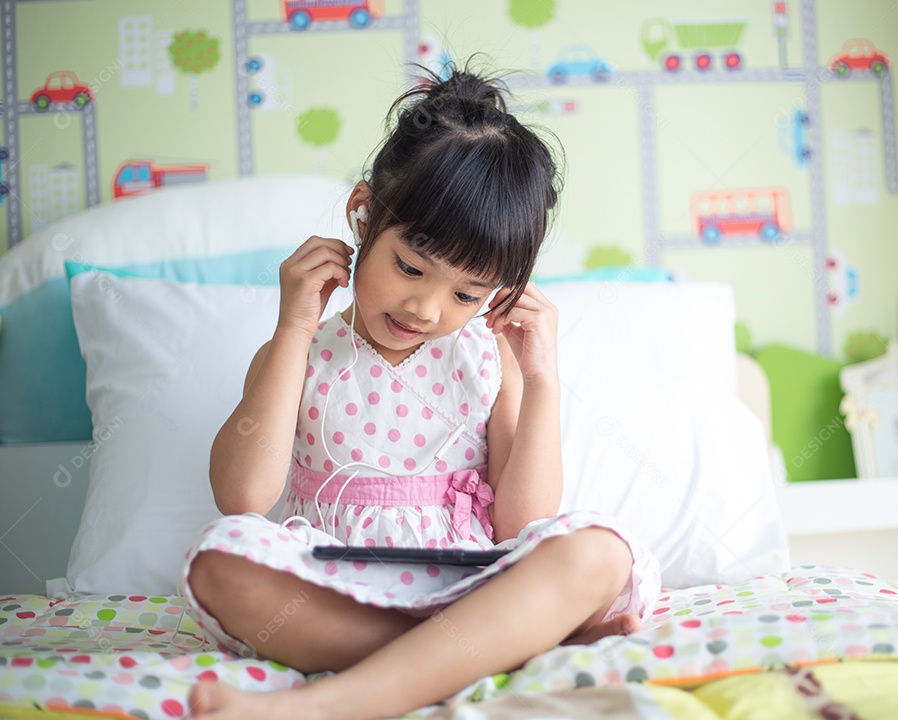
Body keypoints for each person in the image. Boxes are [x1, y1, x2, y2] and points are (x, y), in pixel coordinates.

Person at [179, 59, 661, 720]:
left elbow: (523, 524)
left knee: (602, 553)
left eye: (467, 292)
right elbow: (242, 497)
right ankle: (485, 654)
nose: (428, 308)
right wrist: (293, 325)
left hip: (470, 590)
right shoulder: (303, 351)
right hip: (332, 589)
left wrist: (544, 378)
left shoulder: (488, 359)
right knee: (218, 562)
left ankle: (335, 701)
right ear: (363, 215)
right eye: (410, 266)